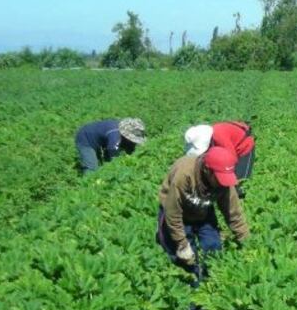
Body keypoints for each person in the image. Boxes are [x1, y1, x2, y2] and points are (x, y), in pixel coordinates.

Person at [155, 147, 249, 288]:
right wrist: (182, 243)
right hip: (175, 211)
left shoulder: (223, 181)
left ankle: (210, 284)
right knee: (185, 260)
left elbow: (233, 212)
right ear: (207, 170)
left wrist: (246, 241)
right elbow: (173, 213)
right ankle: (191, 297)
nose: (222, 182)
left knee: (213, 248)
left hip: (203, 209)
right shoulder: (184, 175)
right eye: (218, 178)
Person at [183, 121, 256, 197]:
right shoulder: (210, 138)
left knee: (240, 180)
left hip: (244, 148)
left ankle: (239, 198)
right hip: (231, 148)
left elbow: (231, 160)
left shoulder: (219, 137)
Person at [74, 118, 147, 173]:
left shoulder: (119, 133)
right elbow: (114, 158)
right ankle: (88, 186)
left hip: (99, 139)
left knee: (103, 162)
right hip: (85, 139)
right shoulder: (114, 136)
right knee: (91, 167)